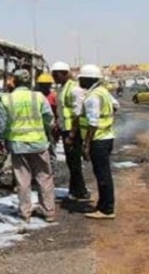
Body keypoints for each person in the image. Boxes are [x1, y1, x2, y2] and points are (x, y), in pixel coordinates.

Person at [0, 69, 56, 223]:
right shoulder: (38, 97)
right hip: (39, 143)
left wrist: (1, 140)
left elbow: (1, 126)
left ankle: (25, 213)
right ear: (29, 82)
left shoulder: (7, 99)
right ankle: (49, 211)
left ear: (15, 82)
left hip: (18, 145)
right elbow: (49, 117)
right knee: (45, 178)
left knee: (23, 180)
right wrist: (46, 130)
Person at [78, 64, 119, 219]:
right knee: (103, 173)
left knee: (103, 174)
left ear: (89, 79)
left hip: (98, 140)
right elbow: (116, 106)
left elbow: (93, 122)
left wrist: (86, 145)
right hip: (107, 136)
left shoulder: (93, 96)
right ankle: (103, 205)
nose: (80, 81)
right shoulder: (103, 92)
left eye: (81, 78)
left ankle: (107, 209)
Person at [50, 61, 90, 201]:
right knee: (71, 161)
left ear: (65, 74)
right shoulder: (62, 88)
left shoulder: (74, 89)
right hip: (65, 129)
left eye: (56, 74)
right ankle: (76, 190)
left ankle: (80, 191)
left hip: (73, 131)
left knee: (74, 162)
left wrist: (72, 134)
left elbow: (77, 114)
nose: (54, 77)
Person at [36, 72, 60, 173]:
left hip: (50, 126)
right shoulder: (36, 96)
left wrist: (56, 125)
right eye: (42, 85)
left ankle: (52, 170)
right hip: (37, 127)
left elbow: (58, 112)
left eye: (46, 85)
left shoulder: (54, 97)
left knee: (51, 149)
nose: (44, 87)